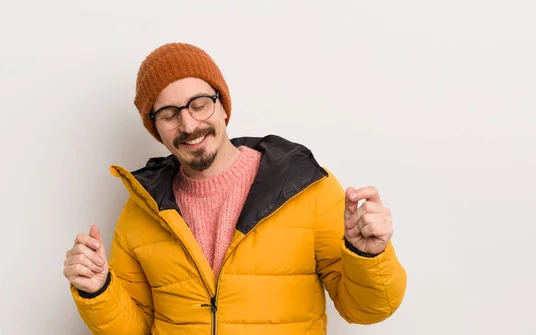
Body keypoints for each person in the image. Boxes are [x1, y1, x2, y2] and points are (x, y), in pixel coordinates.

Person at [63, 42, 407, 335]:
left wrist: (368, 256)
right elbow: (136, 327)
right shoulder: (141, 210)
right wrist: (99, 292)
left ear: (222, 105)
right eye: (168, 114)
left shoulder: (305, 186)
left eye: (199, 104)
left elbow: (368, 310)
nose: (189, 124)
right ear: (156, 129)